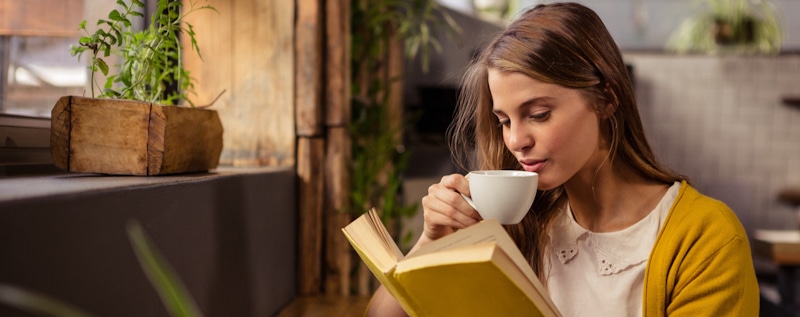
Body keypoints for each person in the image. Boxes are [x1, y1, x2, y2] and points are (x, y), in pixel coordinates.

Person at [366, 2, 759, 316]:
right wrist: (430, 241)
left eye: (538, 114)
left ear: (606, 98)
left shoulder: (707, 238)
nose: (516, 140)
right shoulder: (519, 226)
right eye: (503, 120)